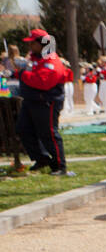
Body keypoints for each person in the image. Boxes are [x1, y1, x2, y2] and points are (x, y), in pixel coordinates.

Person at [15, 28, 74, 175]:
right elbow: (31, 74)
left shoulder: (51, 61)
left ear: (42, 44)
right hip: (31, 101)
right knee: (23, 129)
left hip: (46, 101)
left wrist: (22, 74)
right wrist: (17, 72)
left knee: (48, 133)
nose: (30, 46)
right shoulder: (35, 59)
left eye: (32, 43)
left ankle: (60, 165)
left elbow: (42, 82)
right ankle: (41, 159)